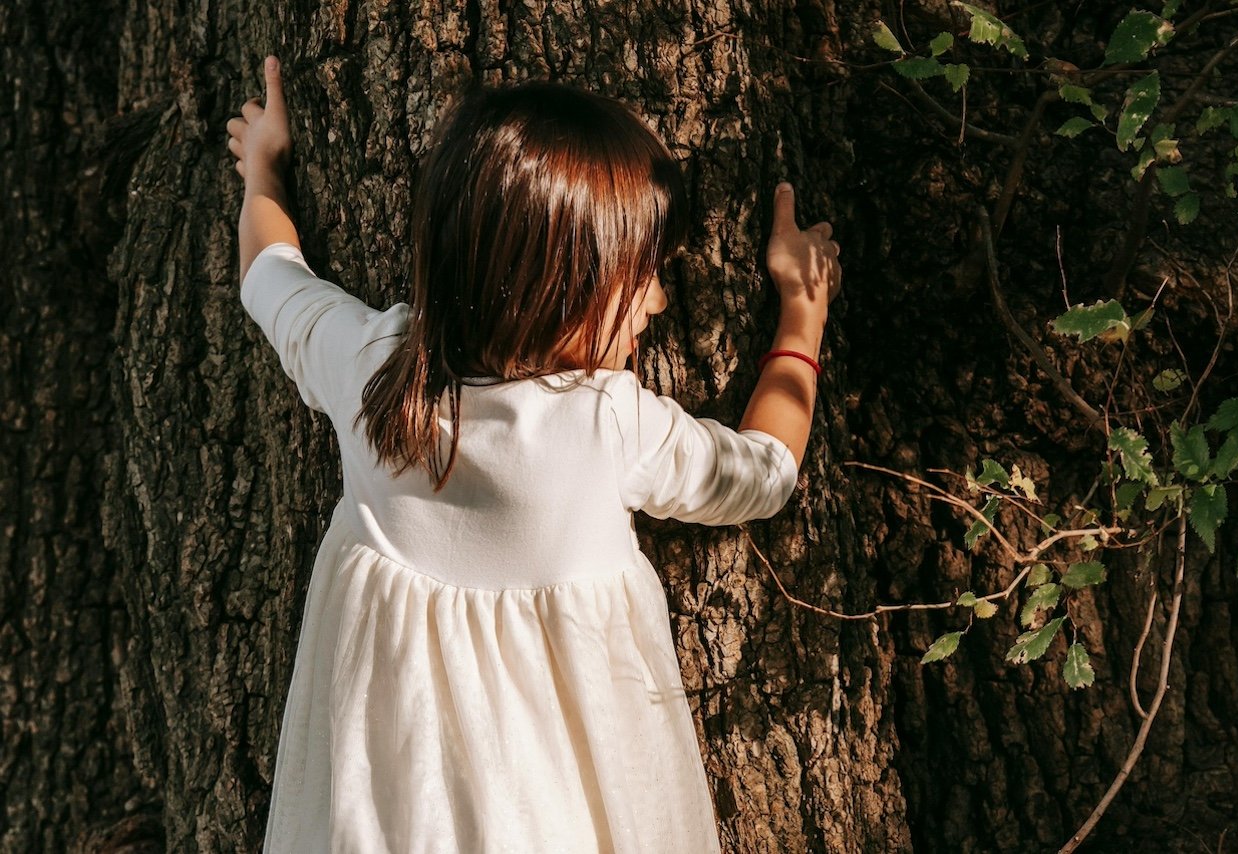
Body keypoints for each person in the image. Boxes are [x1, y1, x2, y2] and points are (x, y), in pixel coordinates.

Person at [227, 54, 842, 853]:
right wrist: (802, 315)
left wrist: (262, 170)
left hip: (388, 812)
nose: (658, 300)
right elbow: (766, 472)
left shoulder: (370, 366)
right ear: (560, 284)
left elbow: (268, 272)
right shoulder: (609, 425)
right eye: (642, 275)